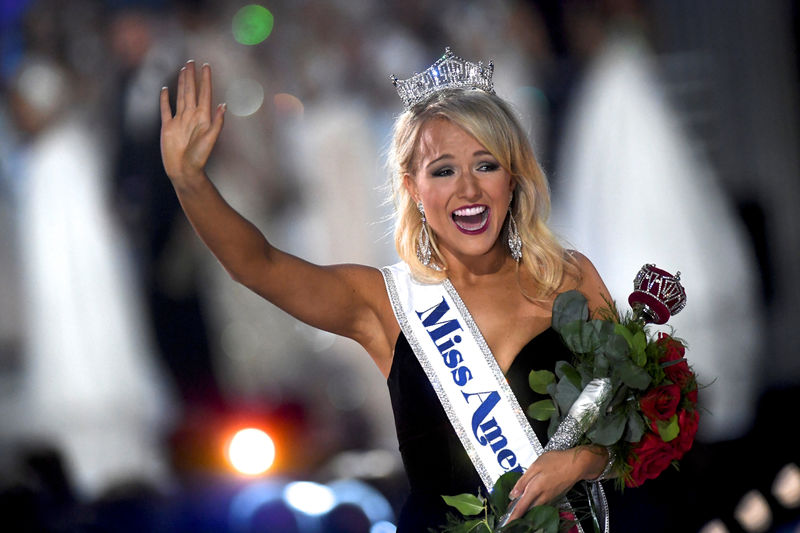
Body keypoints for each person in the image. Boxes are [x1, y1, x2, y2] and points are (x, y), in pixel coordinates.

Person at [159, 49, 614, 532]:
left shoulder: (567, 279)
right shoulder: (384, 303)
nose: (468, 190)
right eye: (443, 170)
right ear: (413, 188)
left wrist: (581, 460)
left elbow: (634, 406)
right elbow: (257, 264)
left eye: (485, 165)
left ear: (514, 177)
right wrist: (189, 181)